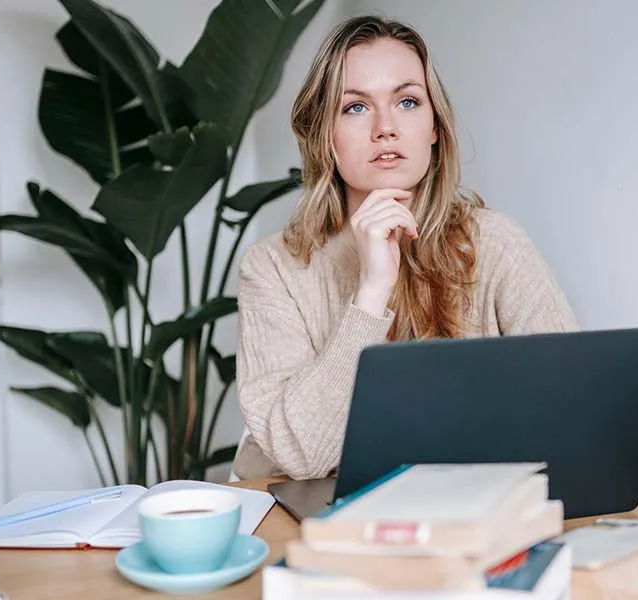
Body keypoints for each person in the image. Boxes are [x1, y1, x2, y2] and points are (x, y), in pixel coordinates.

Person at [231, 15, 579, 481]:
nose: (385, 128)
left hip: (469, 513)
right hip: (326, 524)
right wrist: (372, 292)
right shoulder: (273, 267)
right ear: (323, 136)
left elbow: (574, 407)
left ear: (434, 126)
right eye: (355, 108)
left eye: (408, 101)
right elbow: (302, 456)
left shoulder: (496, 243)